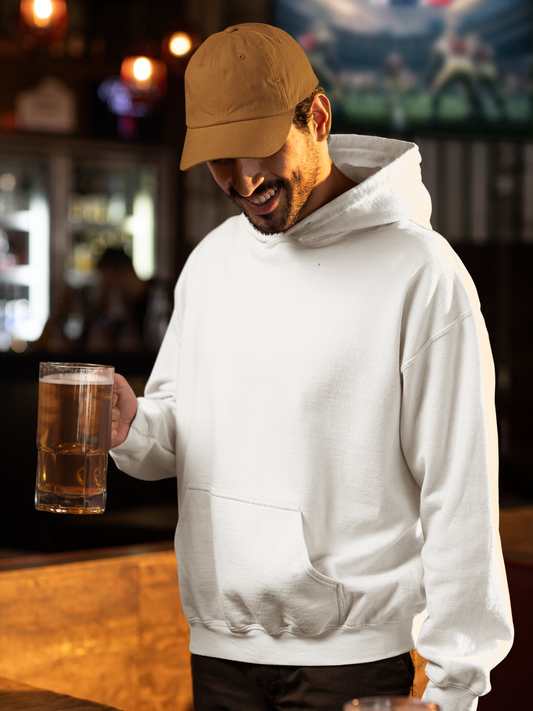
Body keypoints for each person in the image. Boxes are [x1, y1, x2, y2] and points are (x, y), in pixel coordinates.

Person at [109, 23, 513, 711]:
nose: (242, 181)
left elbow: (459, 492)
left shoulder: (423, 274)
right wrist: (131, 427)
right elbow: (180, 435)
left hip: (351, 664)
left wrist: (453, 690)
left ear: (317, 118)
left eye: (258, 149)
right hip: (219, 648)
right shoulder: (211, 262)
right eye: (218, 159)